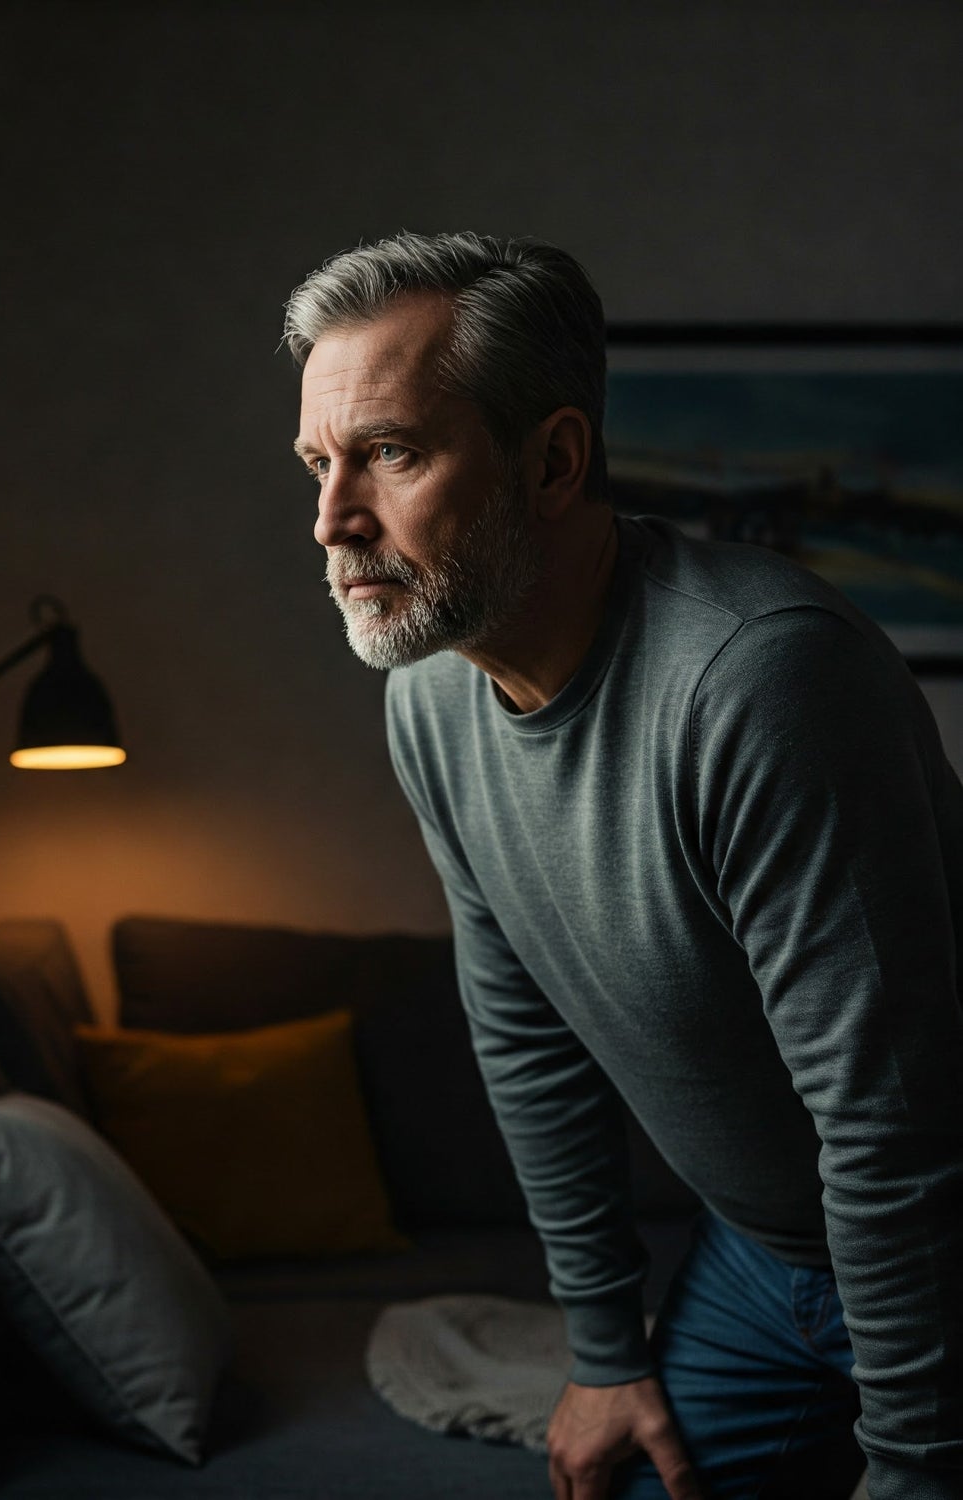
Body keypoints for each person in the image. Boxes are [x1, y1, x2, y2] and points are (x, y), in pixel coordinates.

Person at [284, 231, 963, 1500]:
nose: (333, 521)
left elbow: (893, 1124)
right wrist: (604, 1348)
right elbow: (525, 1031)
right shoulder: (429, 698)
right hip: (765, 1260)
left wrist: (918, 1464)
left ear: (552, 461)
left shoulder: (761, 679)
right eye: (320, 464)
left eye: (392, 453)